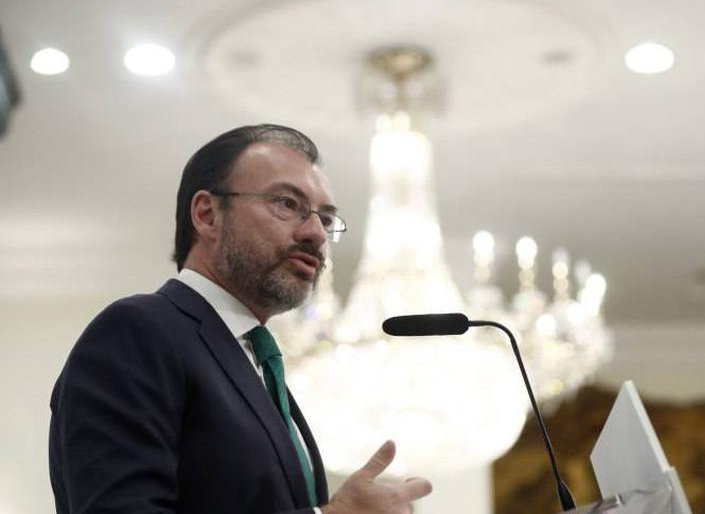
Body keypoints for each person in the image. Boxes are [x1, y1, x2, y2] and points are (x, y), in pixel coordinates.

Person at [48, 124, 432, 514]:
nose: (316, 232)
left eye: (327, 219)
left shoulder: (257, 362)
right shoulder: (137, 331)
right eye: (286, 202)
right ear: (207, 214)